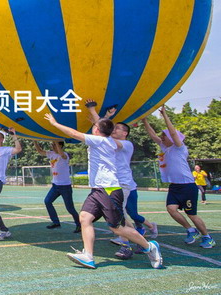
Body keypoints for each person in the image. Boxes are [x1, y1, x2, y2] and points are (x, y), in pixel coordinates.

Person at [45, 111, 163, 269]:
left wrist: (54, 123)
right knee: (85, 218)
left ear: (96, 131)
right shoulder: (107, 140)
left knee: (117, 227)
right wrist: (98, 117)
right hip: (97, 190)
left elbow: (74, 133)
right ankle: (88, 256)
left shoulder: (100, 141)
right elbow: (104, 127)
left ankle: (150, 247)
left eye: (94, 126)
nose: (93, 128)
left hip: (109, 189)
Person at [85, 102, 158, 260]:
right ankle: (139, 242)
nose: (114, 129)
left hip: (122, 184)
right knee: (121, 216)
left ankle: (130, 245)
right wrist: (105, 117)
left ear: (125, 133)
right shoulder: (108, 141)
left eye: (117, 128)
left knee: (120, 218)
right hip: (112, 185)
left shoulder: (126, 144)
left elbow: (103, 131)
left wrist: (94, 112)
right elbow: (103, 130)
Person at [143, 106, 215, 248]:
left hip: (187, 186)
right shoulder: (166, 148)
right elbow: (153, 136)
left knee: (192, 214)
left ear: (171, 138)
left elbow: (173, 133)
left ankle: (207, 237)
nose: (162, 137)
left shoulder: (179, 148)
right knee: (171, 209)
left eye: (164, 135)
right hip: (175, 186)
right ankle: (190, 230)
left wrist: (165, 115)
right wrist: (144, 120)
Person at [34, 141, 81, 233]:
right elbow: (40, 151)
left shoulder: (65, 155)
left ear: (60, 146)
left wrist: (56, 141)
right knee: (47, 201)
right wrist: (34, 141)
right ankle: (56, 222)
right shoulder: (51, 154)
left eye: (54, 144)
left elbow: (61, 153)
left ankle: (79, 225)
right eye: (51, 145)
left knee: (70, 208)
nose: (52, 146)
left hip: (65, 186)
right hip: (55, 185)